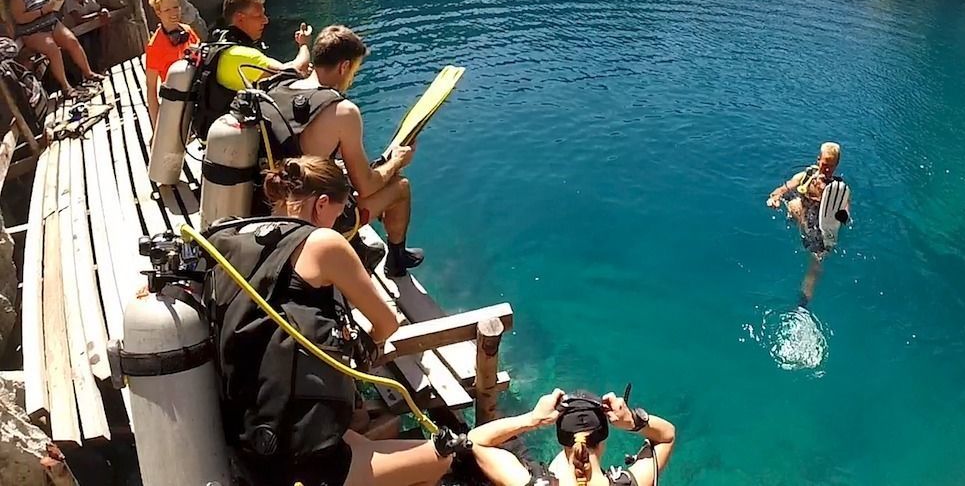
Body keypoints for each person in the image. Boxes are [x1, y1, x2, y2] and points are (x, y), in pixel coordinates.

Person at [204, 155, 458, 486]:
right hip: (300, 458)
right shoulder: (322, 243)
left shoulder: (235, 233)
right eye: (336, 218)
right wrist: (365, 348)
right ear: (322, 204)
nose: (337, 227)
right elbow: (387, 322)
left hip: (251, 434)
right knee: (443, 459)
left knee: (370, 438)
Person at [259, 25, 424, 278]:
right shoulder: (342, 111)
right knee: (400, 187)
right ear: (344, 66)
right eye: (355, 71)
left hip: (269, 202)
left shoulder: (278, 89)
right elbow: (366, 186)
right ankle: (396, 261)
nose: (352, 78)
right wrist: (398, 161)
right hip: (316, 217)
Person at [464, 388, 676, 486]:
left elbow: (477, 440)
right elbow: (667, 436)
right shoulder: (629, 483)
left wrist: (532, 419)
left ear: (562, 440)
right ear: (602, 441)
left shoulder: (529, 483)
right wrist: (631, 420)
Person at [190, 0, 312, 139]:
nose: (265, 20)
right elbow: (295, 69)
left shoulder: (220, 47)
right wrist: (304, 45)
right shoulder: (242, 55)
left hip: (216, 135)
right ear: (240, 18)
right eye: (258, 16)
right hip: (234, 141)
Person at [766, 142, 850, 305]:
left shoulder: (839, 190)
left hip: (820, 225)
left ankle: (803, 302)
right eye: (824, 164)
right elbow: (780, 191)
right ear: (818, 160)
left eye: (831, 167)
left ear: (837, 165)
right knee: (795, 204)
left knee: (817, 261)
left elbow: (846, 212)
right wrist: (774, 199)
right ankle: (798, 223)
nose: (826, 170)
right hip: (802, 214)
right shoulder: (804, 177)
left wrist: (841, 217)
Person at [7, 0, 103, 99]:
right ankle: (66, 87)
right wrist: (42, 11)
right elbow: (20, 18)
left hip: (52, 23)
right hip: (32, 31)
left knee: (71, 41)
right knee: (52, 49)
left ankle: (88, 73)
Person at [144, 0, 200, 125]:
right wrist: (156, 126)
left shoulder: (187, 31)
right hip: (176, 100)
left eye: (175, 7)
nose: (173, 13)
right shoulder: (155, 46)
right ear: (158, 13)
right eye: (167, 9)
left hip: (196, 92)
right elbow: (151, 89)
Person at [63, 0, 111, 72]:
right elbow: (79, 19)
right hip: (74, 33)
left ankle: (103, 62)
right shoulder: (69, 1)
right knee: (87, 46)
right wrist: (97, 14)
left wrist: (103, 11)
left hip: (88, 29)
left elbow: (98, 8)